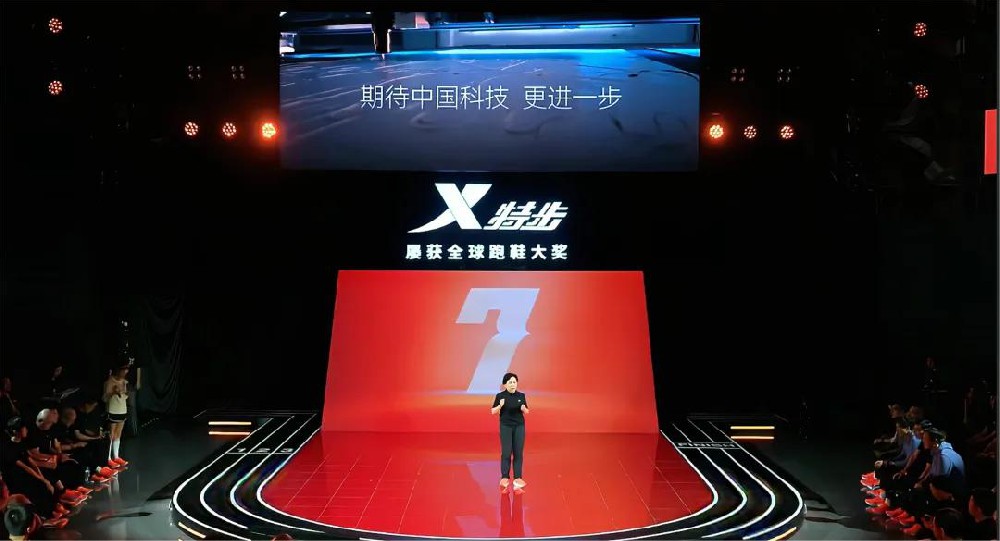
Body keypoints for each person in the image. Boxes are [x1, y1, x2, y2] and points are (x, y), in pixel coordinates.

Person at [490, 373, 529, 494]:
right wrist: (500, 406)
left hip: (519, 426)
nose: (513, 384)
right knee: (506, 452)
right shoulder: (500, 396)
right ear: (505, 384)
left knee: (518, 452)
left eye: (514, 382)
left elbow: (527, 411)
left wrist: (523, 409)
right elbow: (493, 411)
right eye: (510, 382)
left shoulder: (521, 396)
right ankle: (505, 477)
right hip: (506, 426)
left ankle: (518, 478)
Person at [102, 367, 129, 468]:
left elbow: (125, 396)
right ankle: (108, 458)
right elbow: (104, 398)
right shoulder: (109, 381)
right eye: (124, 370)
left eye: (127, 370)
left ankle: (116, 456)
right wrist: (112, 392)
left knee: (118, 433)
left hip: (122, 410)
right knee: (111, 434)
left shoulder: (125, 382)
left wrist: (125, 392)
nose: (126, 372)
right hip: (113, 410)